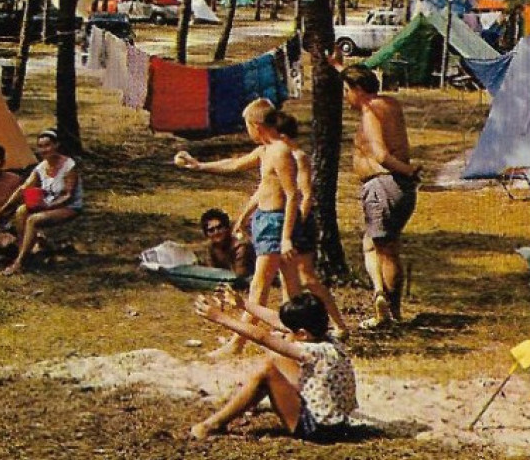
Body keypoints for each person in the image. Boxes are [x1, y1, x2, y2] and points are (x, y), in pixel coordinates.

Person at [174, 99, 299, 356]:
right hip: (264, 220)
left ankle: (238, 342)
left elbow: (292, 195)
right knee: (291, 284)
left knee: (259, 285)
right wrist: (199, 166)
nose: (247, 131)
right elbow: (235, 164)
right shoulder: (265, 151)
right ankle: (296, 335)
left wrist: (286, 237)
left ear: (256, 125)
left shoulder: (280, 152)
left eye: (247, 126)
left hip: (275, 223)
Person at [189, 289, 357, 443]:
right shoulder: (329, 340)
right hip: (338, 423)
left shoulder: (310, 351)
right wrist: (243, 304)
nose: (285, 331)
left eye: (291, 331)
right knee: (275, 364)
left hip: (318, 429)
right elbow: (278, 321)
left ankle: (212, 424)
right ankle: (247, 401)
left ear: (302, 334)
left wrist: (219, 317)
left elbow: (262, 337)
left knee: (268, 370)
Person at [341, 62, 421, 329]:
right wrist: (338, 66)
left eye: (347, 90)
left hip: (383, 185)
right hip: (394, 187)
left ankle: (389, 314)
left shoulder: (370, 112)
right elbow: (356, 79)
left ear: (359, 89)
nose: (345, 96)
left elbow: (381, 154)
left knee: (386, 251)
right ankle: (381, 297)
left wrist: (407, 170)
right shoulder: (389, 103)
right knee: (373, 245)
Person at [268, 110, 348, 339]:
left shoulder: (297, 156)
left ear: (282, 135)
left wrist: (296, 226)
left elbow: (305, 195)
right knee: (288, 277)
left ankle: (339, 323)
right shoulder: (279, 155)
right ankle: (290, 325)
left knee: (307, 278)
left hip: (300, 223)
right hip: (287, 221)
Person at [0, 129, 83, 276]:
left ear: (57, 145)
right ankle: (27, 251)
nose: (44, 150)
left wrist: (48, 206)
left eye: (47, 145)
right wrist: (4, 209)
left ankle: (19, 263)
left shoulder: (69, 166)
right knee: (21, 211)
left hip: (68, 206)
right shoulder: (41, 167)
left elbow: (68, 195)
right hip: (48, 205)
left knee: (33, 220)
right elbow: (23, 188)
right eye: (40, 146)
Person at [199, 208, 253, 280]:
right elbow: (211, 274)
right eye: (211, 230)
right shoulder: (210, 247)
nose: (216, 232)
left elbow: (240, 277)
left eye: (219, 227)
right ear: (207, 234)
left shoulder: (240, 247)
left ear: (227, 228)